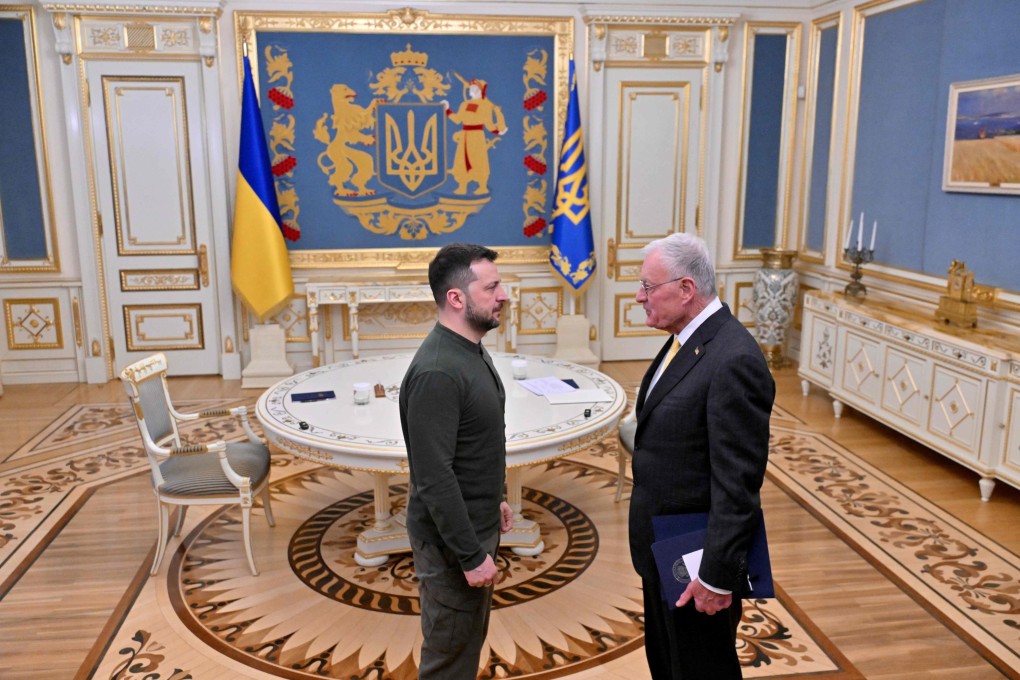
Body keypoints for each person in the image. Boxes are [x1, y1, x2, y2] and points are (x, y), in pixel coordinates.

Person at [628, 233, 775, 679]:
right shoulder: (686, 339)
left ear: (686, 289)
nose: (639, 297)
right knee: (669, 664)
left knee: (701, 670)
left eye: (648, 287)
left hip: (696, 564)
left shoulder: (733, 360)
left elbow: (738, 486)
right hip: (664, 548)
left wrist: (715, 576)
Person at [399, 243, 515, 679]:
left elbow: (474, 445)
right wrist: (469, 556)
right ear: (456, 298)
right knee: (448, 661)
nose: (503, 295)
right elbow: (434, 477)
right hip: (451, 546)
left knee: (465, 647)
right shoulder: (438, 371)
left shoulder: (469, 350)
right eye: (492, 287)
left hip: (472, 526)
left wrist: (494, 498)